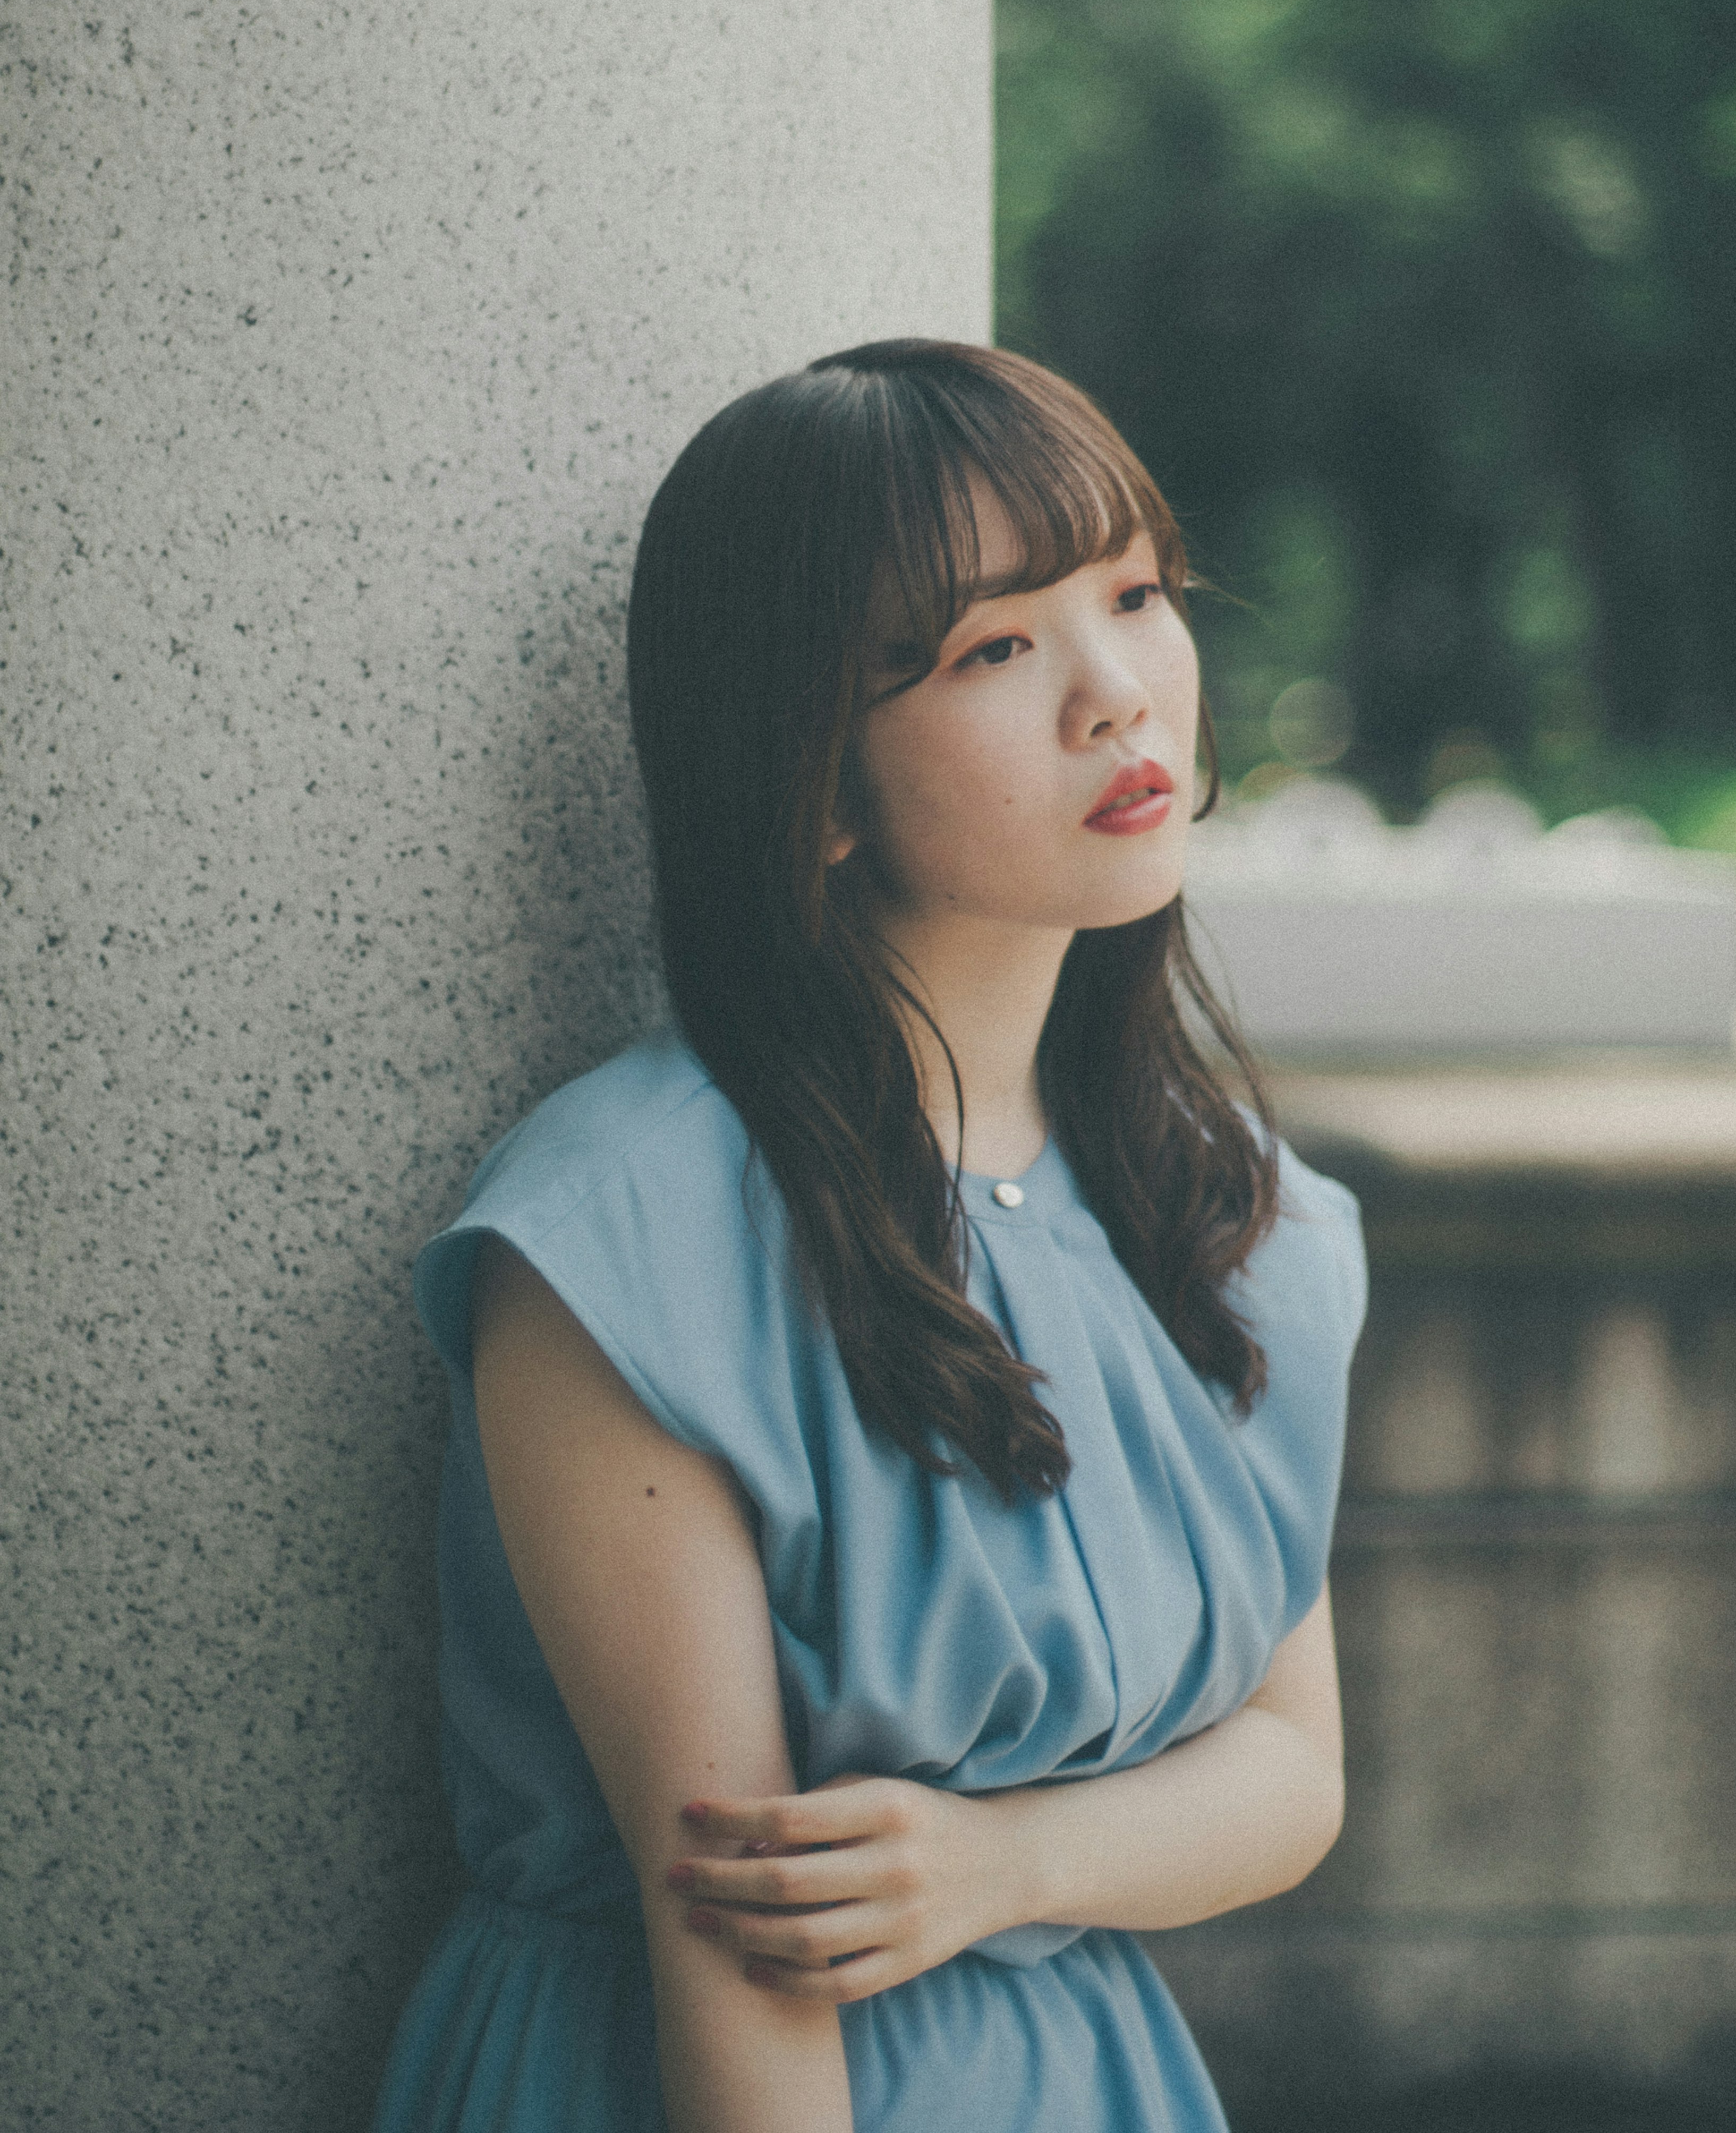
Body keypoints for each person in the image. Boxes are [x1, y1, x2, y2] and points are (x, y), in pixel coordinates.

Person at [371, 338, 1367, 2133]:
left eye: (1135, 594)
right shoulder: (631, 1237)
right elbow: (739, 1953)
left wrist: (1002, 1866)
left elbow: (1295, 1779)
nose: (1116, 694)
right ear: (814, 777)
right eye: (995, 648)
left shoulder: (1225, 1208)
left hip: (1091, 2076)